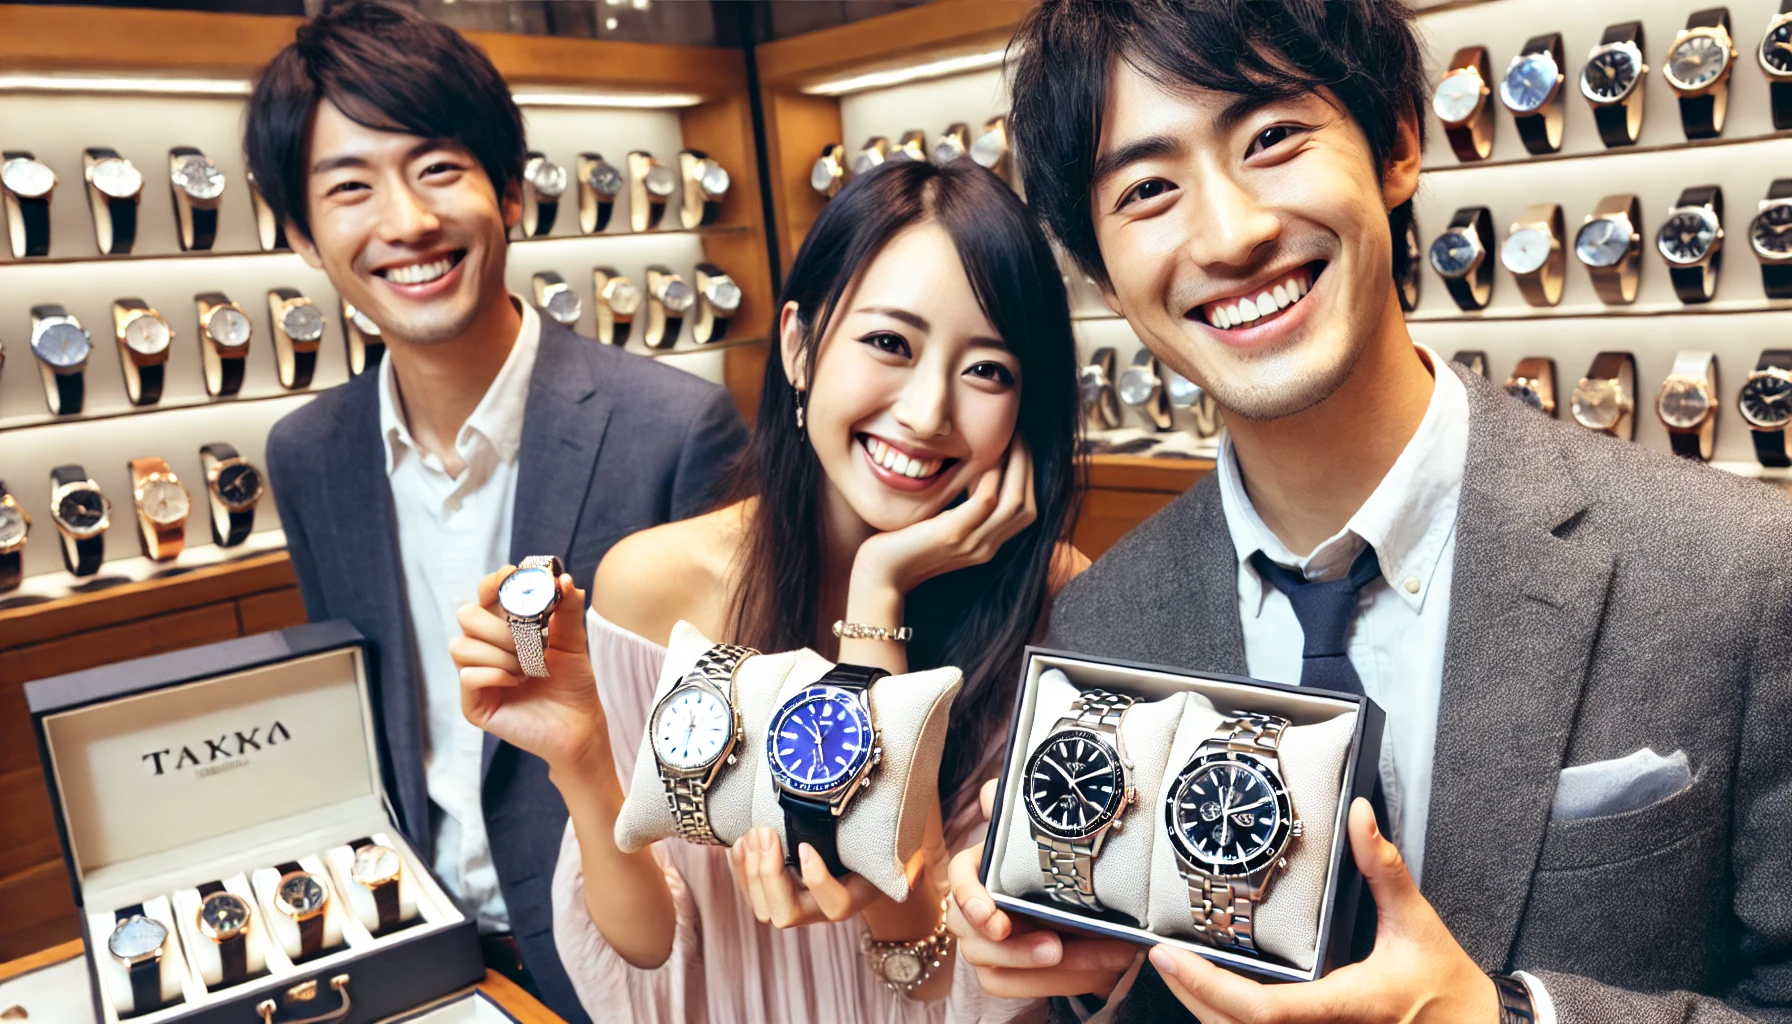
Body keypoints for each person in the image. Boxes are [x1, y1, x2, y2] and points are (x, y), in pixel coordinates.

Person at [945, 2, 1792, 1023]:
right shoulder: (1107, 624)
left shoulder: (1731, 570)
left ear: (1395, 141)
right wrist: (1093, 970)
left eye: (1270, 137)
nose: (1232, 232)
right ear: (1101, 270)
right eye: (1149, 189)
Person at [449, 158, 1085, 1023]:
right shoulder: (656, 584)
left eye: (988, 370)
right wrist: (584, 762)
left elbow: (949, 985)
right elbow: (644, 961)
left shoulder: (1054, 605)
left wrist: (878, 595)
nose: (929, 411)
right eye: (890, 343)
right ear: (798, 345)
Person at [248, 3, 746, 1018]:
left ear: (509, 190)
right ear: (302, 233)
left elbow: (720, 768)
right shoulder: (308, 456)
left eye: (438, 168)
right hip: (421, 953)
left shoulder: (676, 430)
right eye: (349, 188)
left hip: (622, 959)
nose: (406, 222)